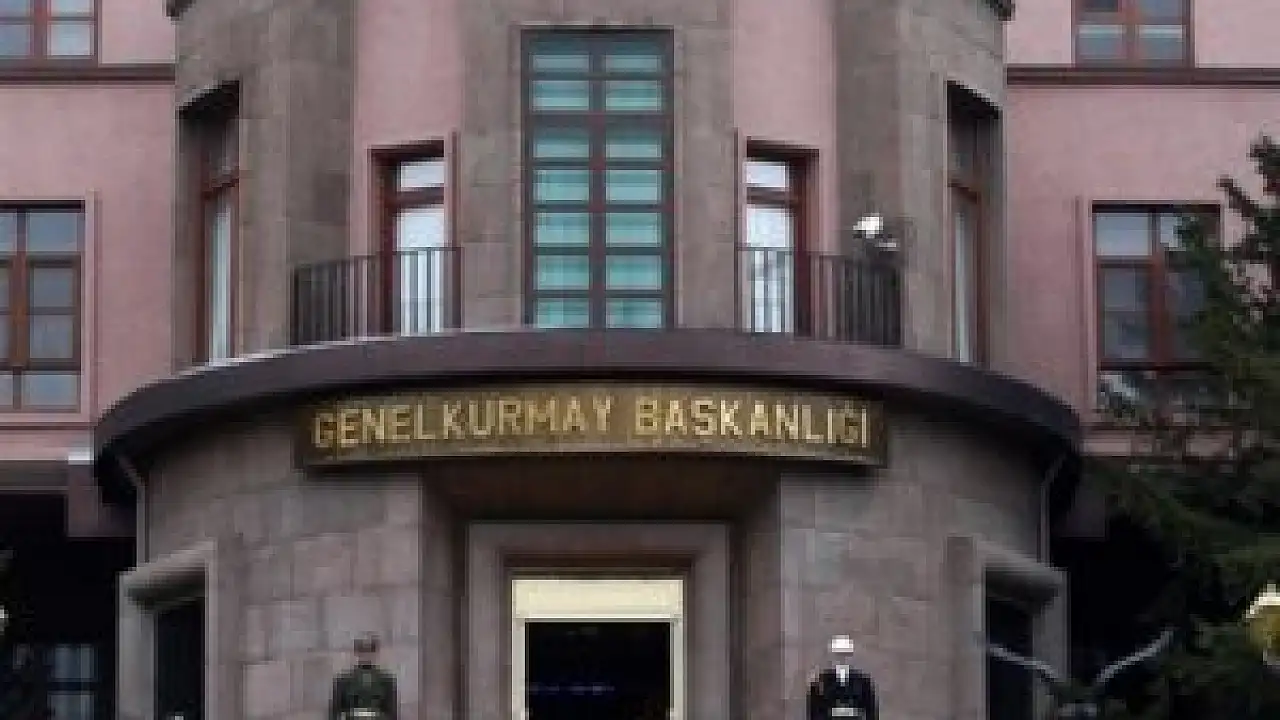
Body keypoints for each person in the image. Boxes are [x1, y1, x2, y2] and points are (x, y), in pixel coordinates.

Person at [329, 633, 398, 720]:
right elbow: (336, 714)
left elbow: (391, 714)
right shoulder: (343, 681)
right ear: (357, 653)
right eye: (363, 651)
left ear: (375, 653)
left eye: (370, 652)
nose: (366, 655)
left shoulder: (386, 681)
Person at [807, 635, 878, 720]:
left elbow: (871, 714)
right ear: (831, 658)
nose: (842, 660)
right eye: (838, 655)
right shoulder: (820, 684)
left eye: (846, 655)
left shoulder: (864, 683)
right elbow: (815, 714)